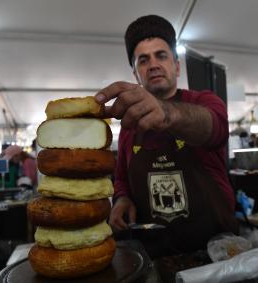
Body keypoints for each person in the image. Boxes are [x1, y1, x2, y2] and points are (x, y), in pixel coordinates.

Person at [94, 14, 238, 255]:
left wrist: (167, 113)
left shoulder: (204, 101)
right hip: (153, 252)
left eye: (161, 55)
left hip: (215, 251)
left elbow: (216, 129)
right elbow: (121, 178)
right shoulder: (130, 125)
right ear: (135, 74)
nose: (153, 65)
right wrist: (121, 198)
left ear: (177, 66)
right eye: (143, 60)